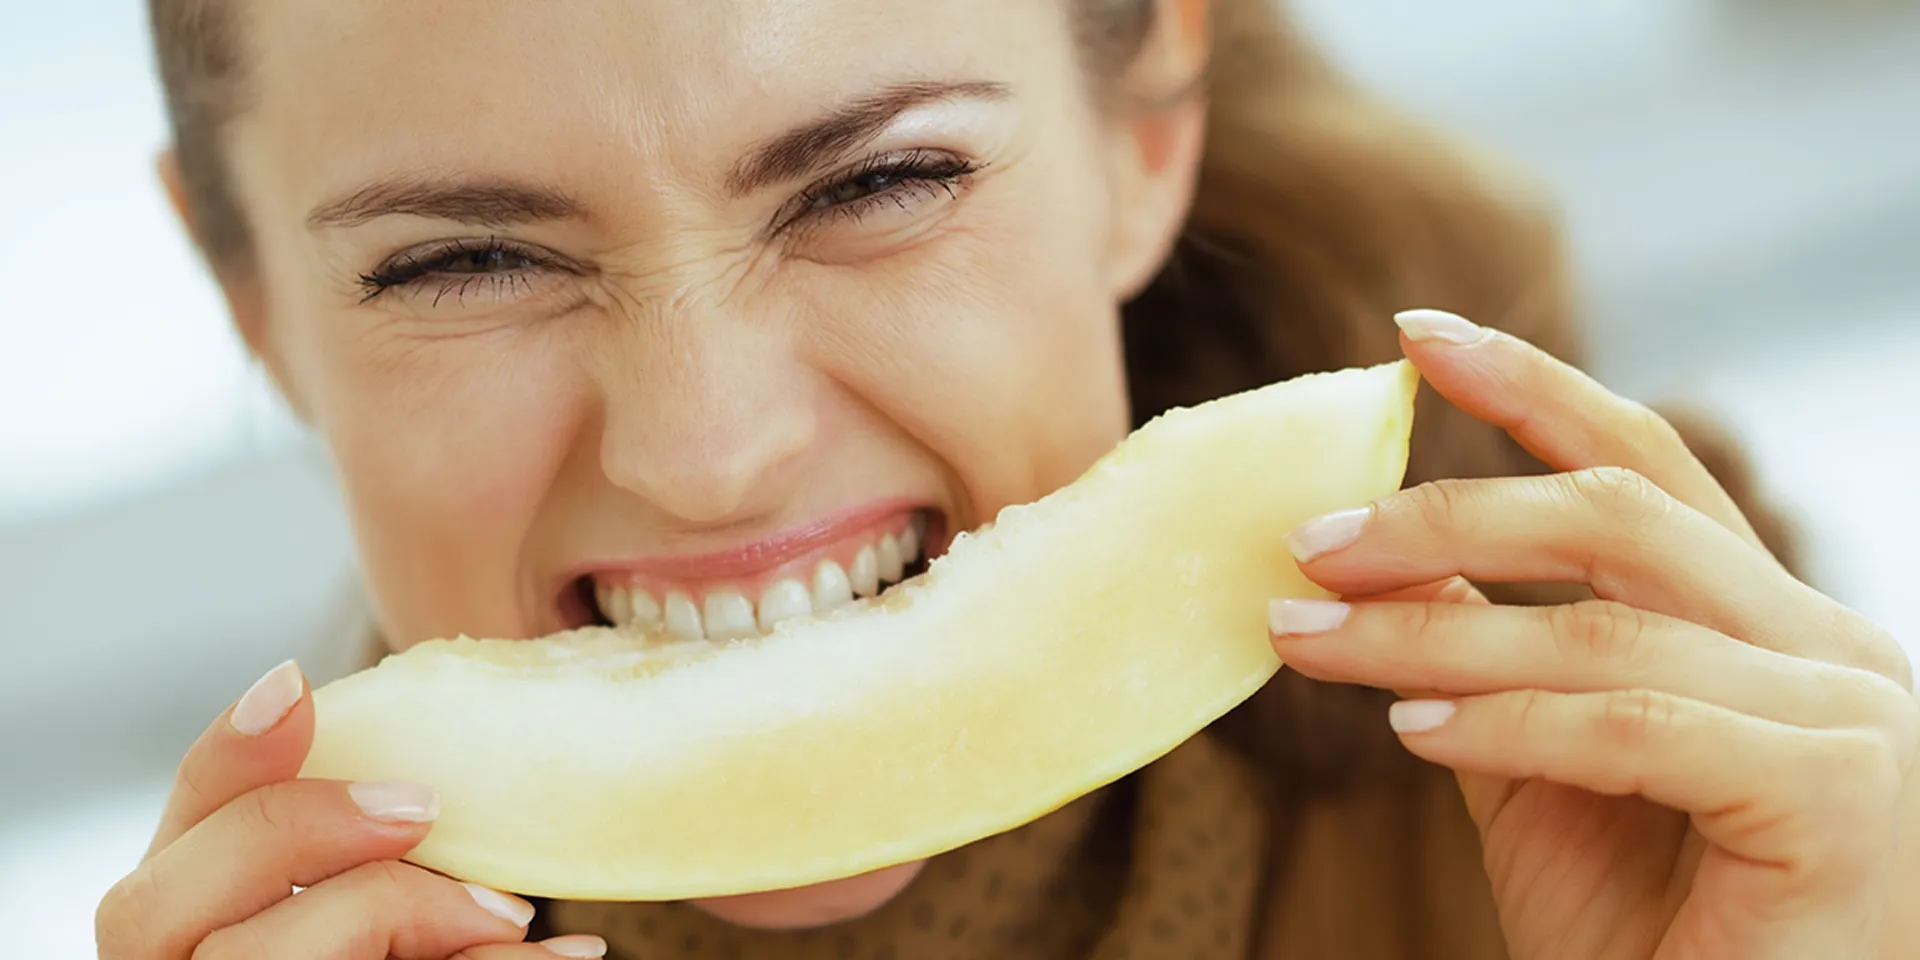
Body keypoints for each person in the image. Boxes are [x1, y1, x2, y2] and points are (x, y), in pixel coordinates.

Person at [100, 0, 1918, 957]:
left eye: (877, 183)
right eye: (462, 263)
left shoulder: (1700, 854)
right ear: (247, 290)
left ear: (1146, 129)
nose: (708, 448)